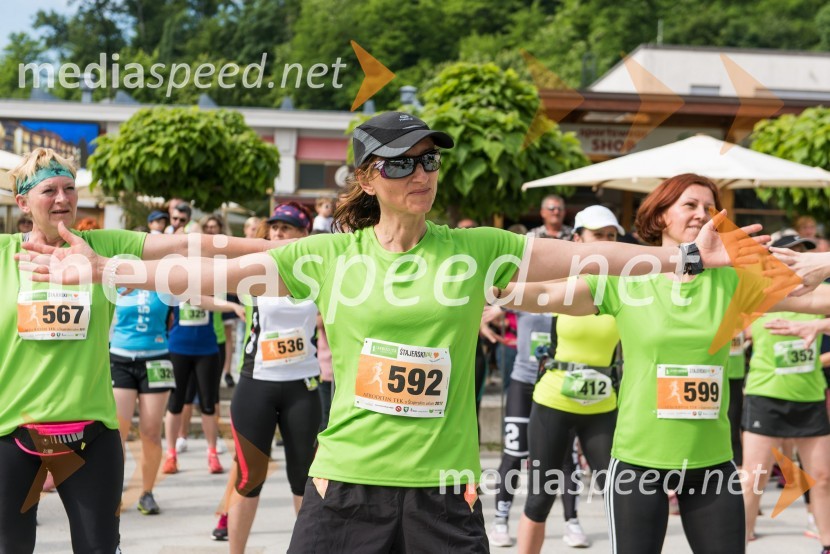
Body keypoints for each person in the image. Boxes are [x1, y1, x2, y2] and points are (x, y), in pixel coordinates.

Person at [20, 116, 766, 552]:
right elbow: (212, 275)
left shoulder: (473, 249)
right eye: (404, 162)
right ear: (369, 177)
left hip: (443, 496)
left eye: (430, 160)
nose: (423, 172)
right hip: (344, 489)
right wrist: (112, 270)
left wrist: (684, 255)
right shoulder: (329, 257)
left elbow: (590, 256)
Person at [494, 174, 830, 554]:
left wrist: (822, 260)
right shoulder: (627, 278)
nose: (701, 214)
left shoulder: (735, 282)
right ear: (660, 216)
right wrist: (494, 287)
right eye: (689, 205)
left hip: (711, 463)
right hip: (639, 461)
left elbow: (820, 301)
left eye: (709, 207)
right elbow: (545, 295)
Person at [3, 147, 274, 553]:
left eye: (69, 188)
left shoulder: (102, 245)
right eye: (49, 191)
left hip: (89, 439)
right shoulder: (5, 256)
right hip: (13, 438)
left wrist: (278, 250)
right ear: (22, 201)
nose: (63, 199)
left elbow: (184, 246)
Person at [513, 205, 624, 552]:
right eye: (597, 236)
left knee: (623, 495)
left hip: (603, 405)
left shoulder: (628, 289)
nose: (606, 244)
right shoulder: (560, 282)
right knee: (540, 499)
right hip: (554, 401)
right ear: (577, 240)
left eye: (611, 237)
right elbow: (517, 291)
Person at [218, 202, 322, 553]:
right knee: (248, 478)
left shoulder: (319, 273)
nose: (277, 234)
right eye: (273, 228)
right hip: (256, 384)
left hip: (303, 386)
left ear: (304, 235)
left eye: (286, 229)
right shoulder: (254, 269)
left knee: (304, 480)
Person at [741, 233, 830, 547]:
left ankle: (827, 543)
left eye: (803, 254)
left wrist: (818, 330)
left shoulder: (820, 294)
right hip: (765, 396)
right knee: (754, 478)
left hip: (809, 397)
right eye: (788, 255)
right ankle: (740, 538)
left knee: (821, 479)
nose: (796, 261)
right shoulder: (756, 295)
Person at [110, 286, 175, 515]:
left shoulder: (164, 281)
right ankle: (113, 494)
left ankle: (147, 493)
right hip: (120, 358)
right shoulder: (118, 279)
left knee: (151, 431)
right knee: (118, 432)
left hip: (156, 359)